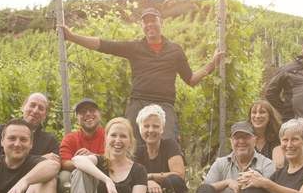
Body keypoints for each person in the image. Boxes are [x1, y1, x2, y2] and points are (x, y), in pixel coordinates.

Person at [58, 8, 224, 143]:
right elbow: (104, 45)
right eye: (146, 21)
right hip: (138, 102)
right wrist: (72, 37)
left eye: (153, 20)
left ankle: (161, 182)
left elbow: (191, 80)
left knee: (166, 144)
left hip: (165, 104)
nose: (150, 24)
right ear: (141, 26)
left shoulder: (175, 49)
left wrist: (212, 63)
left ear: (161, 23)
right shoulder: (134, 47)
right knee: (130, 145)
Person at [193, 122, 276, 193]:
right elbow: (204, 189)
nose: (241, 141)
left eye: (246, 137)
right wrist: (227, 182)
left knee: (254, 175)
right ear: (231, 141)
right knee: (204, 188)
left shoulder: (267, 164)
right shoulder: (221, 163)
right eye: (237, 137)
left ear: (255, 140)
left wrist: (251, 184)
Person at [133, 104, 189, 193]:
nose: (150, 130)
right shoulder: (137, 151)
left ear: (162, 129)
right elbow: (133, 178)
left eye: (155, 126)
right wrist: (148, 183)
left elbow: (179, 174)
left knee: (173, 180)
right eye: (146, 126)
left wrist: (149, 177)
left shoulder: (170, 144)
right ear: (140, 129)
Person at [0, 92, 60, 161]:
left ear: (45, 114)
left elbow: (54, 165)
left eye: (41, 108)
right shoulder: (2, 131)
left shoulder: (50, 142)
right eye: (32, 105)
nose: (35, 111)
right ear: (23, 107)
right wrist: (41, 158)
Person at [58, 98, 105, 192]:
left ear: (99, 116)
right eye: (82, 111)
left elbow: (116, 160)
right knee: (63, 177)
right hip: (78, 178)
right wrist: (85, 162)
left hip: (105, 175)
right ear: (77, 120)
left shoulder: (110, 136)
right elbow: (64, 162)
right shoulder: (69, 138)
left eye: (92, 110)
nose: (88, 113)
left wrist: (92, 157)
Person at [247, 99, 285, 168]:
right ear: (250, 117)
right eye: (254, 112)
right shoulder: (245, 139)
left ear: (270, 117)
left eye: (262, 112)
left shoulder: (277, 139)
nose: (257, 116)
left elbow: (278, 164)